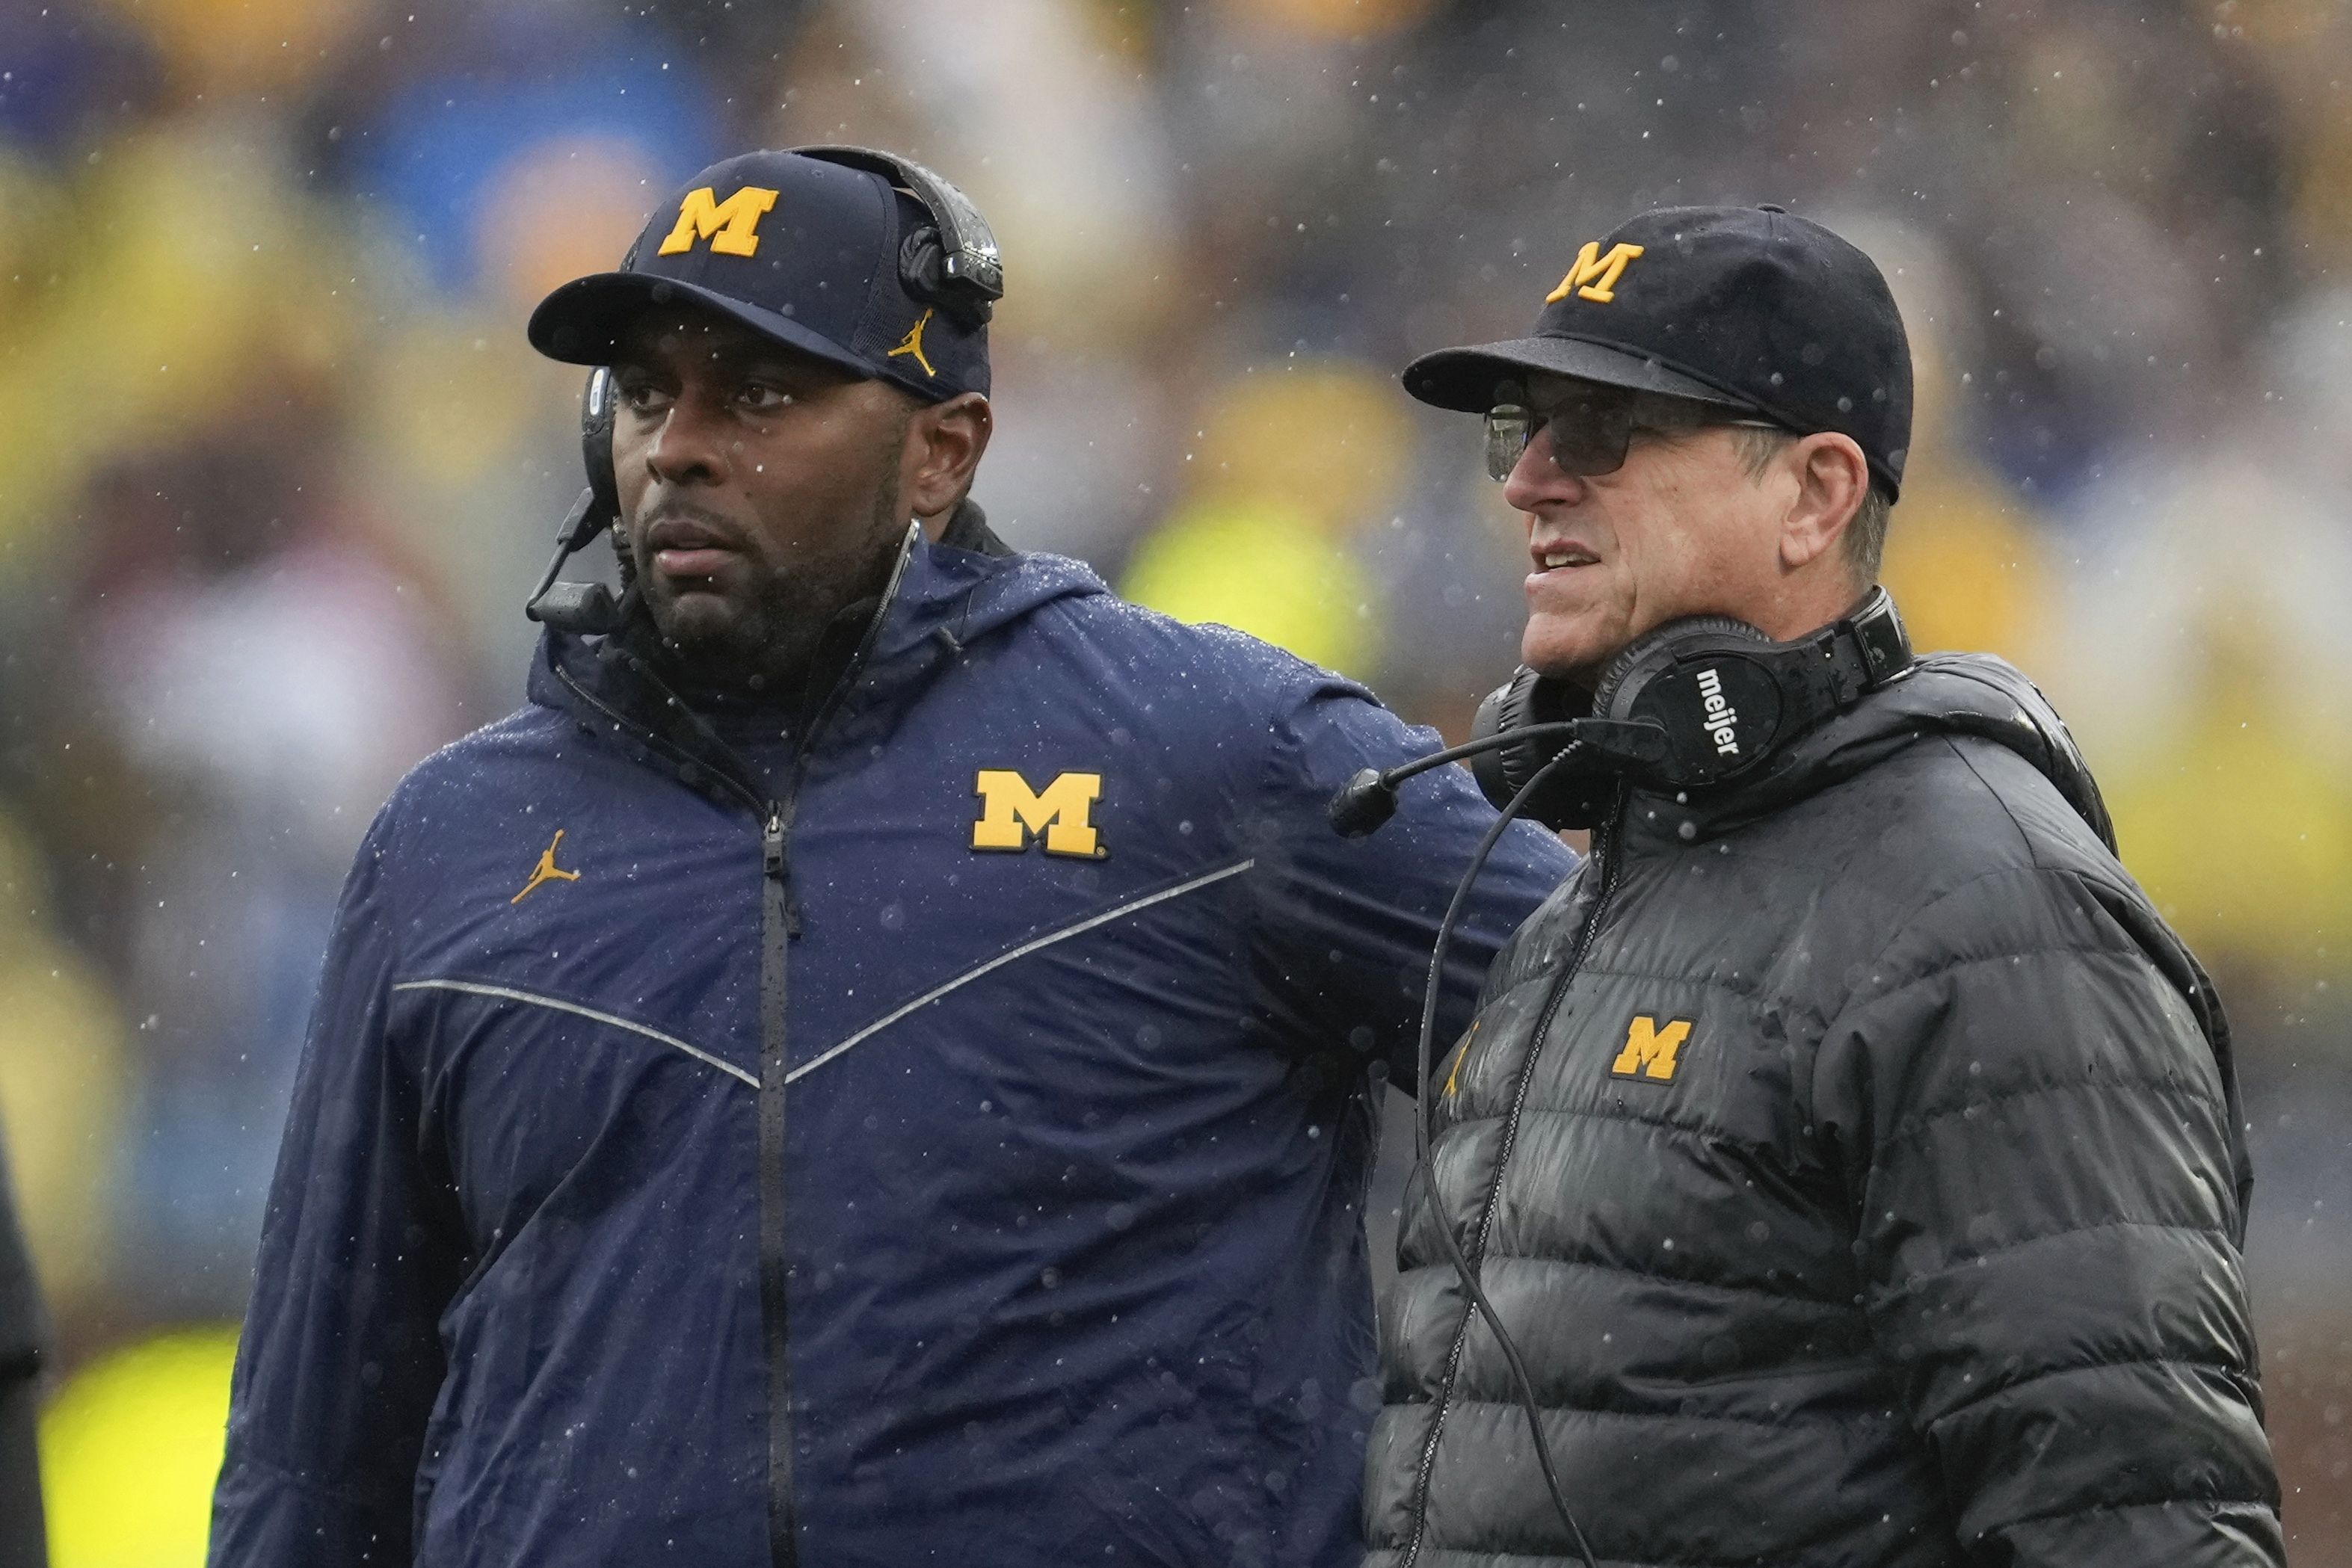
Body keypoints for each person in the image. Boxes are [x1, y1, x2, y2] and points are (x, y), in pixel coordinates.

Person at [206, 148, 1574, 1567]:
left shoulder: (1216, 756)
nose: (675, 442)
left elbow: (1661, 1084)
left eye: (758, 392)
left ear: (944, 449)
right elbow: (314, 1447)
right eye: (648, 390)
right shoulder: (450, 842)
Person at [1361, 206, 2285, 1567]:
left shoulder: (1983, 916)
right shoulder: (1600, 885)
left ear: (1814, 494)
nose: (1529, 481)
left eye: (1603, 433)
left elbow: (2130, 1523)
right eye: (1521, 429)